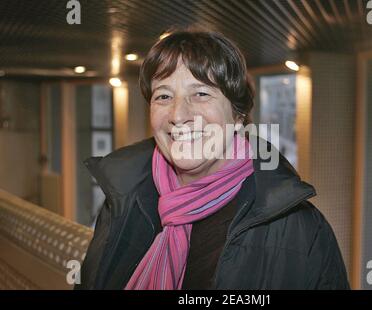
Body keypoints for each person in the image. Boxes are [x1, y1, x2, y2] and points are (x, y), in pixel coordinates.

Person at [75, 29, 350, 290]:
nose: (179, 115)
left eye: (201, 93)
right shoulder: (122, 200)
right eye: (163, 95)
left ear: (238, 114)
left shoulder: (300, 230)